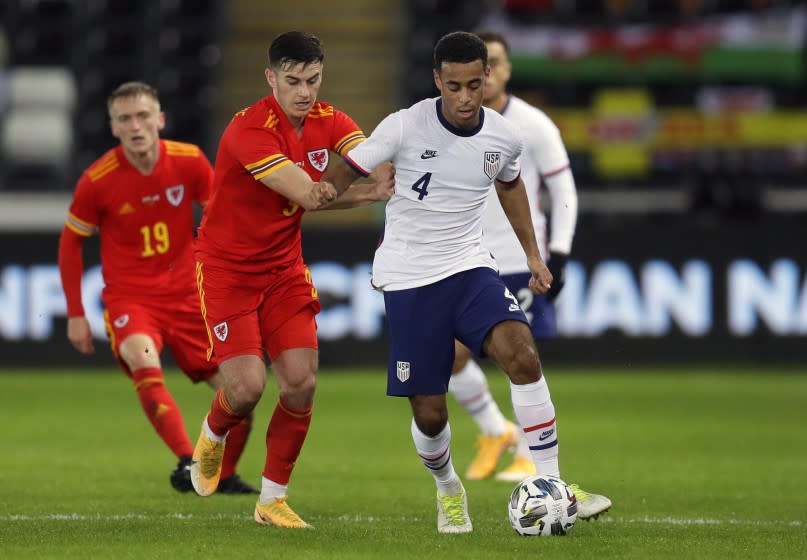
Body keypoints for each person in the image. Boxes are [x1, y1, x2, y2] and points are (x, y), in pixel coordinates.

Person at [335, 31, 610, 533]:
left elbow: (512, 187)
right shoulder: (403, 126)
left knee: (522, 355)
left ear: (488, 80)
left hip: (469, 266)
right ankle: (448, 489)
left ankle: (552, 484)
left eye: (475, 85)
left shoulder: (505, 136)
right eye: (454, 86)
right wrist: (321, 194)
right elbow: (344, 170)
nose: (465, 97)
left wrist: (534, 255)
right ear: (438, 80)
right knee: (431, 413)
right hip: (409, 276)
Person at [188, 31, 394, 529]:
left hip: (283, 270)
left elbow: (374, 153)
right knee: (248, 388)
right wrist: (371, 192)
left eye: (313, 80)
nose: (305, 92)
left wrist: (384, 168)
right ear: (271, 78)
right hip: (226, 272)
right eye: (293, 80)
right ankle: (215, 432)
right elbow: (309, 196)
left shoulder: (331, 120)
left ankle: (271, 500)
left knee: (300, 383)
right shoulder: (248, 131)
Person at [58, 81, 257, 495]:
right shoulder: (98, 180)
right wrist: (76, 313)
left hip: (190, 296)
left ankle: (220, 475)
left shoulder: (187, 161)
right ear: (113, 127)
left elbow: (223, 214)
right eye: (125, 118)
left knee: (242, 392)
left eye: (143, 115)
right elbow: (70, 242)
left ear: (160, 120)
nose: (135, 125)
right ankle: (188, 459)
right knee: (143, 361)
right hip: (131, 299)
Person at [449, 30, 579, 483]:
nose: (492, 72)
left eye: (499, 63)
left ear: (503, 70)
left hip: (517, 262)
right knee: (448, 356)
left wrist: (557, 254)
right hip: (464, 261)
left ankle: (528, 452)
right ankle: (495, 429)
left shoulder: (533, 125)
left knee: (521, 359)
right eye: (487, 64)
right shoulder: (449, 122)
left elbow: (563, 190)